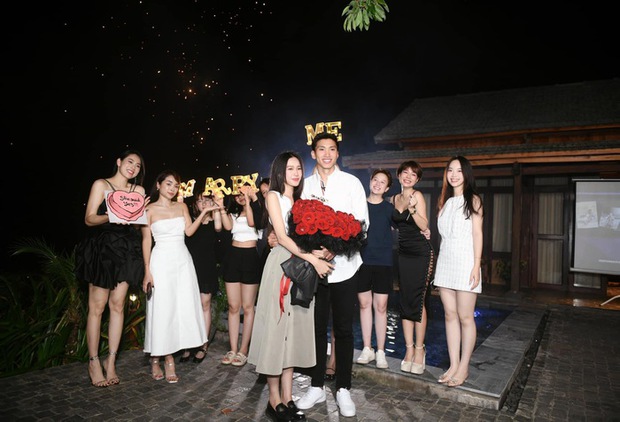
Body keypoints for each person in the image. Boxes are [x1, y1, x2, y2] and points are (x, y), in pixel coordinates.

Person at [248, 151, 334, 422]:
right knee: (276, 331)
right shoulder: (273, 196)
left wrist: (321, 251)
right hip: (282, 267)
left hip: (302, 268)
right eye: (290, 168)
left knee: (293, 333)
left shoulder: (301, 201)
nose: (296, 173)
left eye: (298, 168)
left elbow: (307, 237)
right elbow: (283, 237)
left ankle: (288, 398)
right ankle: (273, 400)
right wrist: (313, 259)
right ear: (279, 172)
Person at [296, 131, 369, 418]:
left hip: (345, 268)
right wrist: (314, 251)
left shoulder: (351, 183)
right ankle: (315, 385)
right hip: (315, 268)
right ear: (313, 153)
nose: (326, 154)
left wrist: (334, 250)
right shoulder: (305, 185)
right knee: (315, 328)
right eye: (321, 149)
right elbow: (296, 224)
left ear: (338, 153)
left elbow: (361, 225)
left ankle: (343, 388)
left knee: (343, 329)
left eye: (331, 149)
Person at [75, 149, 146, 388]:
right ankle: (93, 361)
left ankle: (111, 361)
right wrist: (111, 216)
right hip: (104, 247)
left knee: (118, 305)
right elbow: (89, 218)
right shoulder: (101, 184)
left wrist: (138, 215)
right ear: (118, 162)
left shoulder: (138, 191)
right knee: (97, 307)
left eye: (137, 165)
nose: (133, 167)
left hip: (127, 249)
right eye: (129, 162)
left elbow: (138, 225)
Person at [141, 170, 214, 383]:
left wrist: (204, 212)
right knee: (162, 309)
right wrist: (147, 271)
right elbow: (146, 241)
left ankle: (164, 355)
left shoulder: (181, 207)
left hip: (182, 261)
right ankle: (164, 359)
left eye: (176, 186)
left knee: (180, 309)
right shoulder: (149, 210)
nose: (172, 188)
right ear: (158, 185)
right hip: (160, 262)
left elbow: (189, 231)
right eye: (169, 184)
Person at [433, 156, 483, 388]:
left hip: (465, 262)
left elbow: (477, 234)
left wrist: (476, 265)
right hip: (446, 262)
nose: (453, 175)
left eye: (459, 171)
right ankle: (453, 365)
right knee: (449, 315)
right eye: (450, 170)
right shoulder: (445, 202)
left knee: (465, 317)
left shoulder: (473, 200)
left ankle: (464, 367)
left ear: (466, 174)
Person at [389, 160, 435, 375]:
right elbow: (390, 223)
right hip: (403, 254)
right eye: (405, 173)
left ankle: (419, 349)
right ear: (398, 175)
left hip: (420, 253)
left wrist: (413, 209)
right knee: (405, 300)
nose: (408, 176)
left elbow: (424, 225)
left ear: (417, 179)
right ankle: (408, 349)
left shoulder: (417, 196)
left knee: (417, 300)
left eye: (413, 174)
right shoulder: (393, 199)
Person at [179, 192, 226, 364]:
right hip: (189, 266)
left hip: (207, 267)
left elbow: (219, 228)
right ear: (195, 204)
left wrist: (217, 206)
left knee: (205, 304)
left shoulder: (214, 221)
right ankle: (188, 343)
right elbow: (187, 233)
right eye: (200, 201)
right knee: (189, 306)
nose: (203, 203)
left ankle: (203, 344)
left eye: (206, 200)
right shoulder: (190, 220)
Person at [356, 169, 396, 369]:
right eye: (375, 180)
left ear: (387, 188)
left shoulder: (389, 209)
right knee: (364, 305)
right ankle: (367, 348)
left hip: (383, 262)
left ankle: (380, 351)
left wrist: (424, 230)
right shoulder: (359, 205)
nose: (378, 184)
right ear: (370, 181)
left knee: (381, 307)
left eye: (383, 182)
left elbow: (404, 226)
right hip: (361, 261)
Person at [218, 184, 261, 367]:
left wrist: (249, 202)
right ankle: (233, 348)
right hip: (233, 257)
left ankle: (244, 350)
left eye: (244, 193)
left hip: (250, 257)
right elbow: (227, 227)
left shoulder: (258, 211)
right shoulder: (233, 214)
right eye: (238, 195)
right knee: (233, 306)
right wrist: (221, 207)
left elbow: (252, 223)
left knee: (248, 306)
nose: (241, 197)